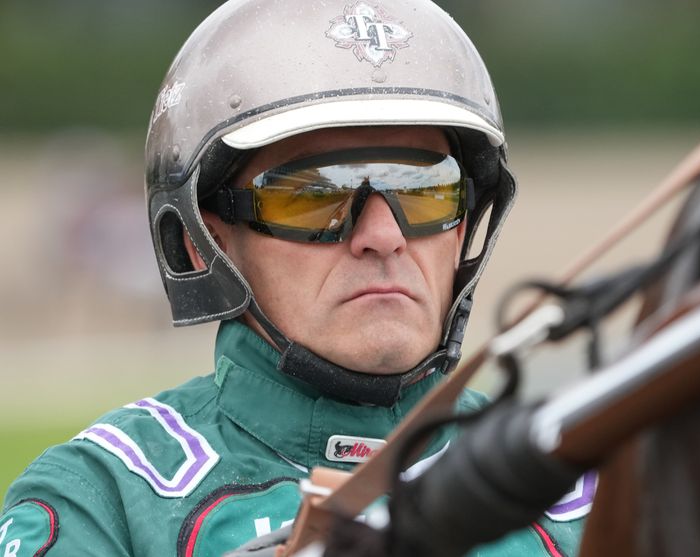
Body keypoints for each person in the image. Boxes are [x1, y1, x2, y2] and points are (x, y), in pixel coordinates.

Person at [1, 1, 593, 555]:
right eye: (313, 196)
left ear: (462, 227)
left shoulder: (585, 487)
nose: (384, 235)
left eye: (425, 190)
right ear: (204, 244)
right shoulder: (99, 502)